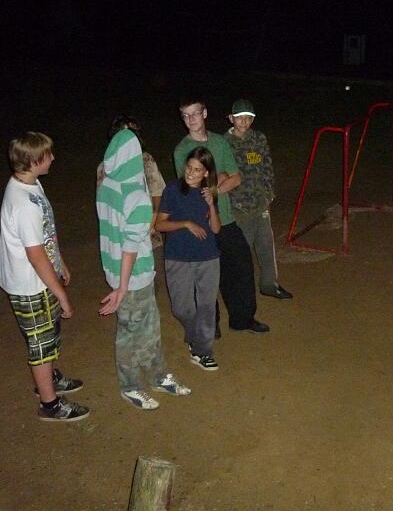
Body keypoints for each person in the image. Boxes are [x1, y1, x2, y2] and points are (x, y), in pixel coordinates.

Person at [97, 127, 191, 410]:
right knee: (131, 333)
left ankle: (158, 375)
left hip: (116, 268)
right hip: (132, 275)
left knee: (149, 327)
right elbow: (130, 246)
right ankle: (131, 387)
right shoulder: (136, 196)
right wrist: (123, 287)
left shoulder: (107, 185)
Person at [0, 132, 89, 422]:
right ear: (34, 160)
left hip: (39, 277)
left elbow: (46, 232)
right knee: (40, 343)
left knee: (48, 333)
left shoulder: (31, 184)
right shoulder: (23, 204)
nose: (52, 158)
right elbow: (36, 256)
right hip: (30, 284)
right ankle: (49, 403)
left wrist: (59, 261)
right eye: (48, 155)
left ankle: (49, 377)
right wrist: (62, 295)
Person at [174, 97, 269, 334]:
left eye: (195, 114)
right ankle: (210, 323)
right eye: (185, 116)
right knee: (205, 278)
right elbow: (190, 188)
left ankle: (242, 319)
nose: (190, 120)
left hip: (226, 219)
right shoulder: (181, 150)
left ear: (204, 114)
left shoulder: (220, 142)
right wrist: (220, 178)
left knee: (241, 268)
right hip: (201, 222)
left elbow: (236, 178)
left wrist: (214, 188)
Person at [155, 147, 222, 371]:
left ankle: (203, 352)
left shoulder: (208, 193)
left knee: (207, 307)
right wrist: (186, 224)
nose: (191, 173)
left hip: (208, 257)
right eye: (189, 167)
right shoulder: (173, 190)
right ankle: (195, 337)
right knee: (182, 309)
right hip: (178, 257)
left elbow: (216, 228)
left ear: (206, 173)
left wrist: (211, 204)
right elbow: (160, 225)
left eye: (197, 170)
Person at [224, 98, 292, 300]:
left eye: (248, 118)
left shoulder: (259, 138)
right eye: (239, 118)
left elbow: (267, 167)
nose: (244, 122)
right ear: (231, 118)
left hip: (261, 203)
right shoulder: (223, 143)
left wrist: (269, 194)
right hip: (238, 207)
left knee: (266, 246)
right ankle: (241, 290)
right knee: (241, 251)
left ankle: (269, 285)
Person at [97, 115, 167, 252]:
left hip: (145, 226)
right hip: (118, 228)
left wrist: (152, 223)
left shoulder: (146, 160)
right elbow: (103, 205)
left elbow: (157, 193)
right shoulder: (105, 167)